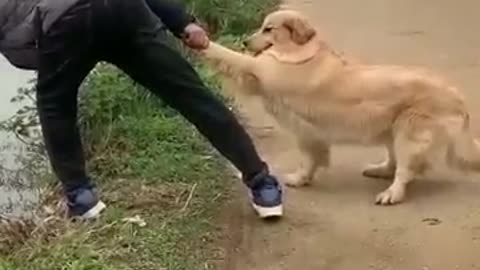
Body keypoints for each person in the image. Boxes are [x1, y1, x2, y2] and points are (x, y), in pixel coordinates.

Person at [0, 0, 283, 219]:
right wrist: (182, 23)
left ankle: (81, 197)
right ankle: (262, 183)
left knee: (55, 106)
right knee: (191, 95)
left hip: (65, 25)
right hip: (123, 11)